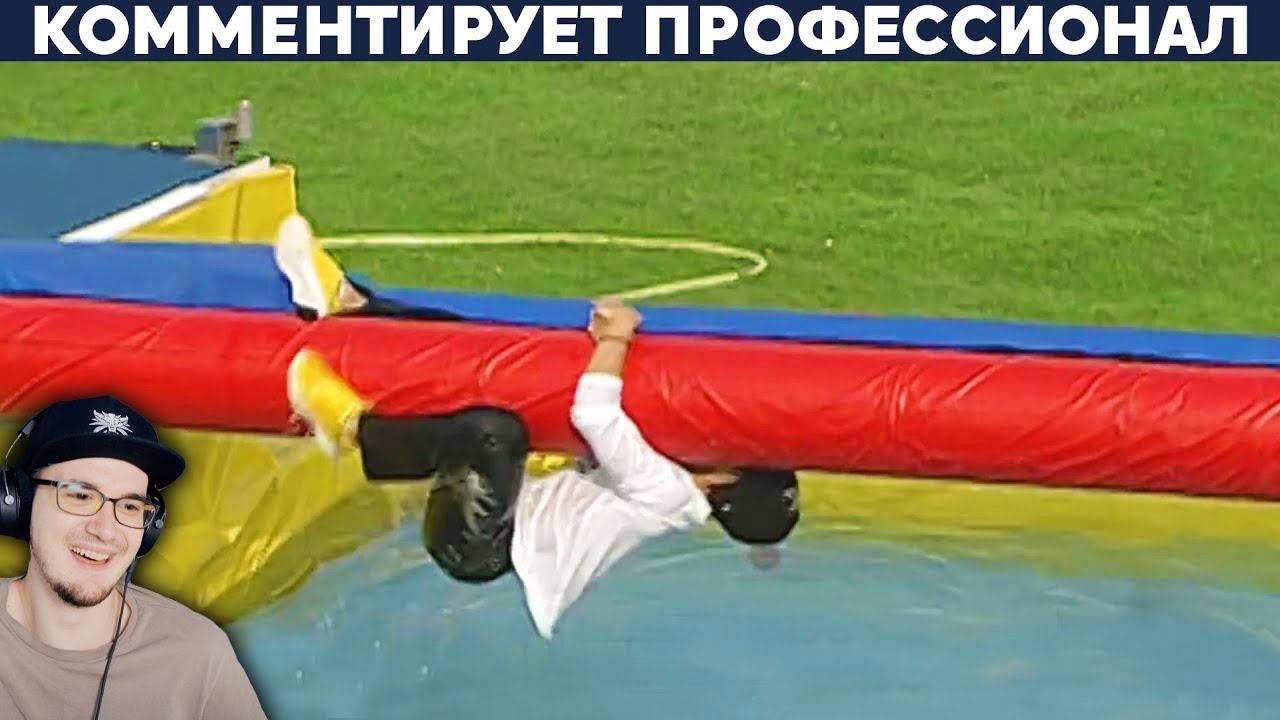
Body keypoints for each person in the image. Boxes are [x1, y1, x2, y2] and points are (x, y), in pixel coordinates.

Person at [288, 296, 800, 639]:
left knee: (495, 431)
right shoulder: (676, 487)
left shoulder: (666, 489)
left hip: (478, 540)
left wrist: (616, 340)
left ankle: (353, 429)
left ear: (723, 478)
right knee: (492, 360)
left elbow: (594, 414)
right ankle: (360, 307)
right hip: (500, 516)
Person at [0, 396, 267, 719]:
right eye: (81, 495)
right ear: (19, 502)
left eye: (129, 506)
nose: (105, 530)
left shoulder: (199, 655)